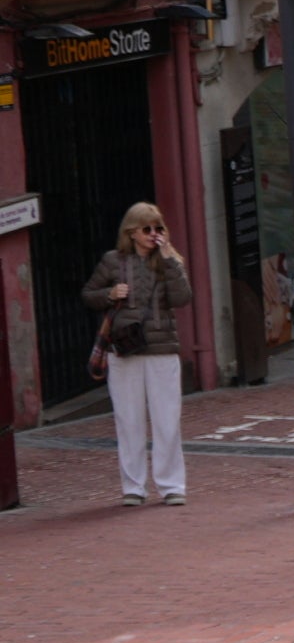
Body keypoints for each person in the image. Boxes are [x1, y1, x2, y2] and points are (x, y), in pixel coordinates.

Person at [81, 202, 192, 507]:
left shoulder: (169, 261)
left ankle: (171, 486)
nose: (154, 234)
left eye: (159, 228)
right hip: (124, 349)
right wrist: (109, 294)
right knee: (128, 420)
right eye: (148, 229)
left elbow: (183, 298)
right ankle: (133, 487)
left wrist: (169, 258)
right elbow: (88, 295)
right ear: (131, 232)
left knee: (167, 419)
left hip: (162, 349)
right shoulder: (112, 261)